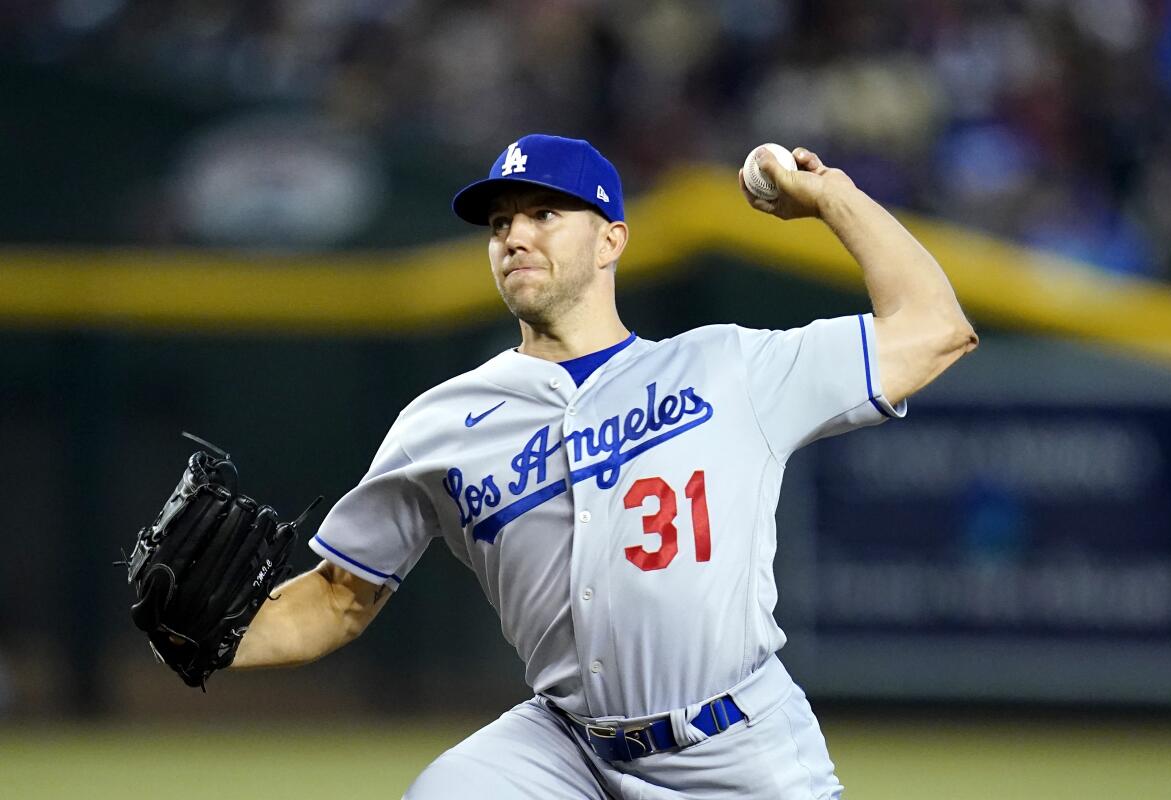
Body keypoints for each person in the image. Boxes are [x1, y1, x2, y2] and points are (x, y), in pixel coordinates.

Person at [231, 133, 977, 798]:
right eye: (500, 223)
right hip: (564, 748)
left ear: (611, 241)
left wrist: (831, 197)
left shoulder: (727, 368)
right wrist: (207, 640)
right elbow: (337, 599)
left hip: (735, 752)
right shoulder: (440, 421)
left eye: (544, 215)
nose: (515, 236)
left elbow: (935, 330)